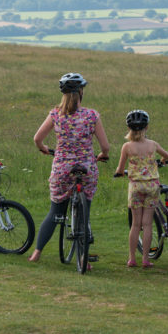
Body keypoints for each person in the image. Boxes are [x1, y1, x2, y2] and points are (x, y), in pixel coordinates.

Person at [28, 72, 110, 264]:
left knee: (55, 212)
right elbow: (105, 147)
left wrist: (44, 149)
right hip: (87, 167)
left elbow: (37, 139)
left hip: (62, 168)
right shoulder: (92, 115)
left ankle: (37, 253)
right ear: (81, 92)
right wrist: (103, 155)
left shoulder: (55, 114)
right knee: (85, 212)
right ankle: (84, 259)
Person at [114, 110, 168, 268]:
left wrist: (119, 173)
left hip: (136, 186)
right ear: (147, 127)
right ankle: (145, 259)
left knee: (136, 224)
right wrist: (162, 161)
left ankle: (132, 259)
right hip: (152, 185)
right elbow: (166, 154)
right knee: (147, 224)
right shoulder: (153, 145)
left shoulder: (127, 147)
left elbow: (120, 168)